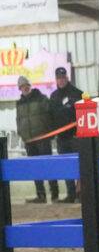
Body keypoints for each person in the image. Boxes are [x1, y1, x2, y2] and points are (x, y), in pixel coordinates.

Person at [15, 76, 58, 204]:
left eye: (26, 85)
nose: (25, 88)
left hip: (43, 139)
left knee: (48, 166)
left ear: (30, 86)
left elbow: (51, 115)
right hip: (29, 141)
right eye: (22, 86)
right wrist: (22, 134)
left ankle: (55, 194)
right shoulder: (19, 103)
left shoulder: (41, 98)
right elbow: (19, 120)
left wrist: (49, 133)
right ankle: (40, 195)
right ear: (20, 89)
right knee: (35, 168)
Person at [49, 66, 83, 203]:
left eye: (63, 78)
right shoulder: (53, 96)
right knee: (66, 167)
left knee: (80, 166)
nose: (61, 80)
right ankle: (71, 195)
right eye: (59, 78)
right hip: (61, 138)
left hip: (76, 137)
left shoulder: (77, 94)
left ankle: (81, 194)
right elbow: (51, 117)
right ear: (56, 80)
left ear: (67, 78)